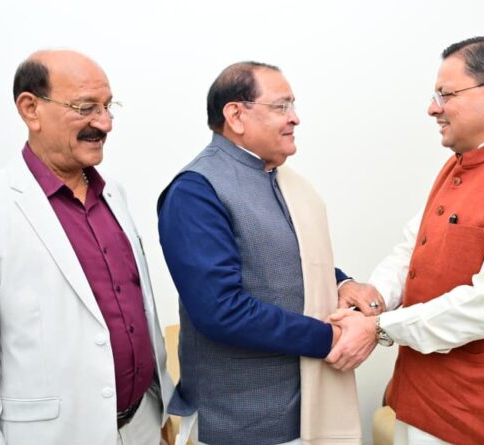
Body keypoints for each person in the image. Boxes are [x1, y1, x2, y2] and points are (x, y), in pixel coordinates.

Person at [328, 36, 484, 444]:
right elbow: (413, 250)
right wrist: (373, 298)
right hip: (419, 402)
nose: (433, 108)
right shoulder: (458, 166)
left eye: (445, 95)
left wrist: (378, 328)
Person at [0, 50, 173, 445]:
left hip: (143, 426)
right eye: (86, 108)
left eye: (108, 107)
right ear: (31, 109)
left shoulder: (114, 195)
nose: (105, 123)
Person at [157, 61, 368, 445]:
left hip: (303, 410)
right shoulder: (196, 191)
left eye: (293, 105)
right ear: (236, 116)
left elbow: (284, 258)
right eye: (281, 106)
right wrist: (332, 338)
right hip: (243, 420)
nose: (295, 118)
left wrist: (343, 284)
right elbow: (221, 310)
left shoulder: (281, 179)